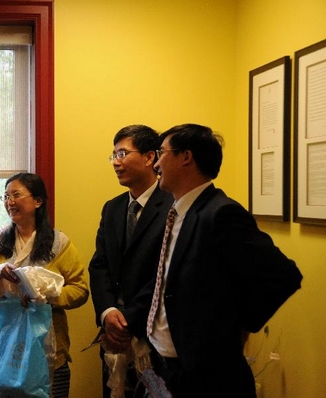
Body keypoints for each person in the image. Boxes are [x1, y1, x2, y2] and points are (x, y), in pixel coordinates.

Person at [123, 123, 302, 397]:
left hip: (206, 376)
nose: (156, 163)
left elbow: (283, 276)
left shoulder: (221, 214)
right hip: (165, 367)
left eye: (161, 153)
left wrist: (235, 328)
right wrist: (128, 321)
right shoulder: (178, 212)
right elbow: (166, 281)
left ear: (186, 157)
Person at [0, 172, 89, 398]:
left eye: (16, 195)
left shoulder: (59, 243)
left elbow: (81, 289)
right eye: (6, 197)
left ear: (38, 201)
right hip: (2, 347)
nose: (10, 202)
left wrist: (47, 295)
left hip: (48, 349)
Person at [89, 125, 173, 397]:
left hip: (154, 338)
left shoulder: (173, 206)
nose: (115, 162)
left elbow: (165, 274)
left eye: (123, 153)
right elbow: (100, 265)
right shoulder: (112, 208)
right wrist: (107, 314)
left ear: (150, 157)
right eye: (113, 155)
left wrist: (127, 320)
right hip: (112, 336)